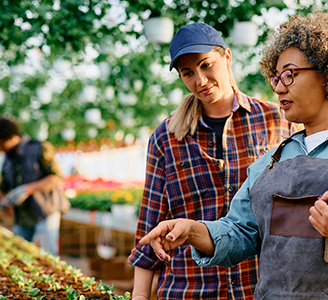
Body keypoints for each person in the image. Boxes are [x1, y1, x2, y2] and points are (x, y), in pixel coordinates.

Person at [139, 12, 328, 299]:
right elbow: (240, 231)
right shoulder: (270, 161)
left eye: (290, 75)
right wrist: (192, 229)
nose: (279, 88)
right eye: (276, 78)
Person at [128, 22, 300, 299]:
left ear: (227, 57)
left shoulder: (276, 121)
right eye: (188, 73)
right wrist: (139, 296)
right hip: (190, 288)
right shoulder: (167, 137)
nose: (200, 80)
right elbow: (150, 225)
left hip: (259, 287)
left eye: (206, 65)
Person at [0, 117, 69, 255]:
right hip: (23, 215)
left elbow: (55, 178)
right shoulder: (8, 158)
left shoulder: (39, 148)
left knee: (47, 255)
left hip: (45, 211)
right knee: (21, 254)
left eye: (1, 142)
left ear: (12, 137)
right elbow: (3, 189)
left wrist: (28, 189)